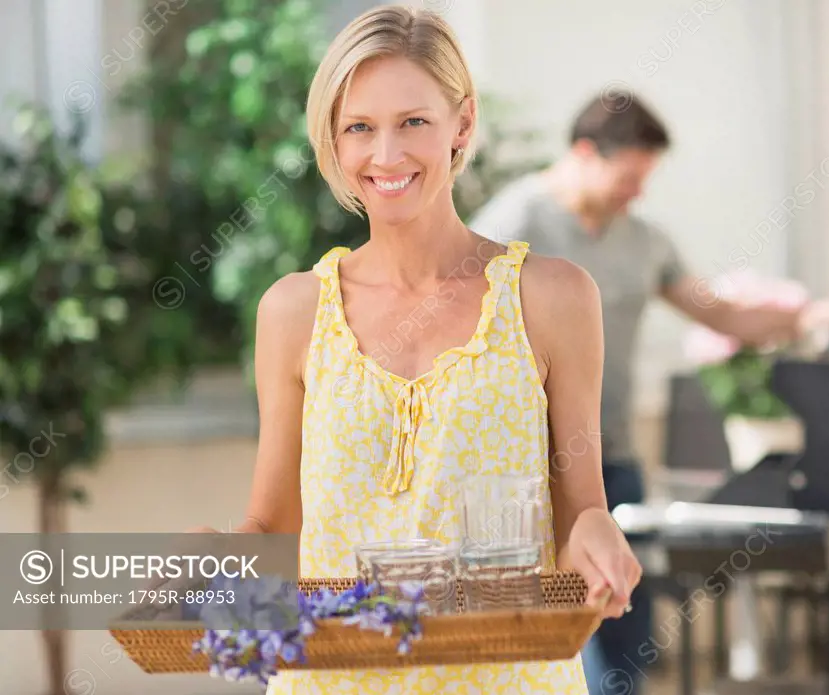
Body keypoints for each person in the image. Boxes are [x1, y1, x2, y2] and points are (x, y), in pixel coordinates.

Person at [185, 6, 641, 694]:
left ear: (461, 123)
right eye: (359, 127)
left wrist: (599, 536)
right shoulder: (292, 311)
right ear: (334, 142)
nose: (386, 155)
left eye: (413, 122)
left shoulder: (553, 298)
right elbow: (276, 526)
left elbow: (579, 508)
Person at [468, 93, 829, 692]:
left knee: (625, 624)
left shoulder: (647, 242)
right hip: (526, 465)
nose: (638, 193)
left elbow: (722, 317)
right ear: (584, 153)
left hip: (614, 458)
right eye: (629, 178)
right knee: (561, 630)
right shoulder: (512, 224)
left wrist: (805, 316)